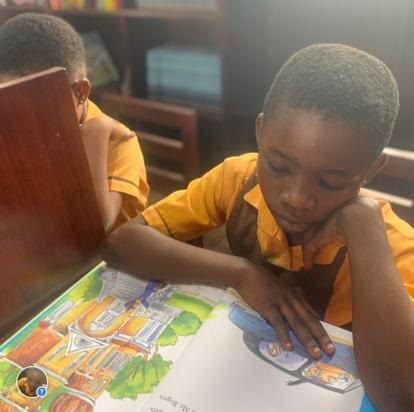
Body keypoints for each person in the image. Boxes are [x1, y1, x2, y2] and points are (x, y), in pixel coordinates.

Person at [102, 44, 414, 410]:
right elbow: (122, 242)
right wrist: (240, 273)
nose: (297, 198)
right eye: (279, 167)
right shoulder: (237, 179)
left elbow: (401, 396)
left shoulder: (391, 245)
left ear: (372, 169)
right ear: (261, 131)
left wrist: (362, 223)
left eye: (330, 183)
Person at [0, 13, 149, 231]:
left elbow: (97, 226)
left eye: (33, 101)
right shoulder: (18, 128)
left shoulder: (118, 143)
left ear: (80, 92)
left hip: (109, 251)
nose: (20, 115)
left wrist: (95, 137)